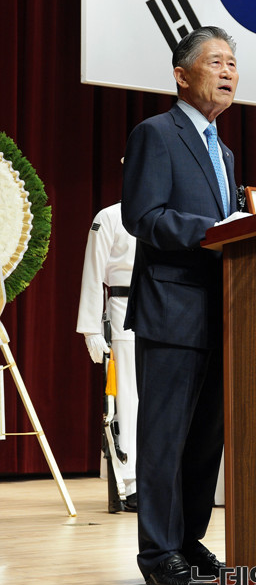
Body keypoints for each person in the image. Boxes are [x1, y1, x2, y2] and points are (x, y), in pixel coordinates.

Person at [121, 26, 244, 585]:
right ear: (181, 74)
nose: (228, 72)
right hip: (171, 310)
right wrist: (217, 230)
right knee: (165, 439)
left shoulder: (226, 152)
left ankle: (189, 540)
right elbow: (143, 217)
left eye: (232, 64)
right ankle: (158, 552)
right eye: (215, 62)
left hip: (222, 312)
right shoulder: (156, 133)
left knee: (204, 441)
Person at [76, 201, 138, 512]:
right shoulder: (110, 216)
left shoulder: (166, 212)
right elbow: (93, 270)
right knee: (127, 402)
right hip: (124, 311)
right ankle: (131, 483)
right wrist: (91, 328)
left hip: (165, 310)